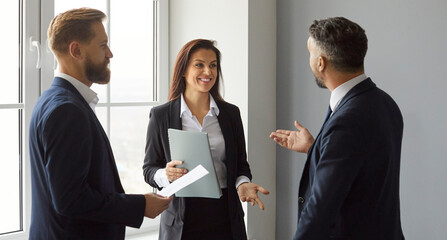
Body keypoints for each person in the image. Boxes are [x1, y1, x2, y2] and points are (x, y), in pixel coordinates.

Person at [28, 8, 171, 239]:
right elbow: (70, 200)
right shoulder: (67, 110)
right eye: (103, 45)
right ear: (76, 50)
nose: (110, 54)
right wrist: (140, 206)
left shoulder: (51, 100)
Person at [270, 17, 405, 240]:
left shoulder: (346, 121)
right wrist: (316, 149)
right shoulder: (385, 103)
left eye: (310, 54)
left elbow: (320, 209)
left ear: (321, 62)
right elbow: (362, 166)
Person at [143, 39, 269, 240]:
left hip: (225, 216)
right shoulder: (161, 116)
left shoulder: (230, 114)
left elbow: (240, 165)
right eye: (199, 65)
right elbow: (149, 169)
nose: (208, 72)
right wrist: (166, 174)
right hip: (181, 221)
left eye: (213, 65)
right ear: (183, 70)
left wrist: (243, 183)